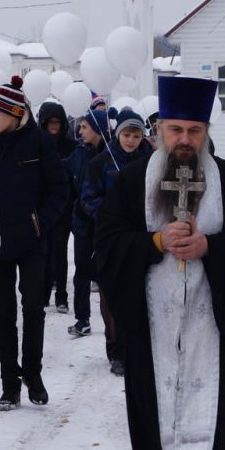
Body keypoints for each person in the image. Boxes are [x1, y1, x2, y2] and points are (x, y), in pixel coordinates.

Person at [94, 75, 225, 450]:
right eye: (175, 130)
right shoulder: (132, 183)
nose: (185, 140)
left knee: (211, 413)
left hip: (208, 326)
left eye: (194, 130)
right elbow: (104, 247)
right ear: (159, 131)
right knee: (152, 416)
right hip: (152, 326)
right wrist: (153, 242)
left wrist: (211, 246)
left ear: (206, 131)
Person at [0, 77, 68, 410]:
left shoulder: (40, 143)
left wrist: (41, 222)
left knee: (33, 311)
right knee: (2, 313)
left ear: (14, 113)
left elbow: (59, 188)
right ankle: (9, 385)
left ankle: (33, 375)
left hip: (31, 241)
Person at [79, 109, 152, 375]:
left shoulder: (153, 161)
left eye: (136, 135)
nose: (131, 140)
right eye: (127, 134)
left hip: (144, 236)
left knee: (143, 290)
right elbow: (87, 198)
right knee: (112, 294)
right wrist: (111, 216)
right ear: (118, 134)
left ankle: (140, 346)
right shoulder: (101, 162)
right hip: (111, 237)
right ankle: (116, 348)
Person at [65, 108, 109, 337]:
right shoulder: (79, 151)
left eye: (85, 127)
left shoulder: (112, 155)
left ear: (97, 129)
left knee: (107, 273)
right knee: (81, 271)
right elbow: (65, 171)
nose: (80, 131)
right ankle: (82, 318)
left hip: (105, 224)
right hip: (83, 222)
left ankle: (114, 321)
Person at [37, 101, 75, 314]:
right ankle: (43, 294)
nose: (54, 126)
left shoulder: (69, 145)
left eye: (57, 122)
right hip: (43, 206)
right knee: (44, 252)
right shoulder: (38, 143)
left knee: (59, 252)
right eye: (50, 122)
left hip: (63, 206)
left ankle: (61, 295)